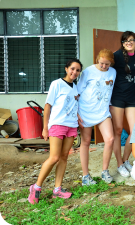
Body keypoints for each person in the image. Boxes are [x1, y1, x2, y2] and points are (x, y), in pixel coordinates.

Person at [28, 59, 82, 204]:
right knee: (54, 157)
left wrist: (77, 117)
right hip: (57, 125)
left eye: (77, 70)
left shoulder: (75, 87)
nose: (74, 72)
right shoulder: (57, 84)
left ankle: (57, 190)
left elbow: (72, 105)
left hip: (71, 126)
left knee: (64, 157)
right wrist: (45, 127)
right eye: (72, 69)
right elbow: (47, 106)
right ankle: (36, 187)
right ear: (66, 69)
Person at [77, 49, 117, 185]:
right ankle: (85, 176)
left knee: (110, 139)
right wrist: (76, 112)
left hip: (103, 111)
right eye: (101, 64)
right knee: (86, 142)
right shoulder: (88, 71)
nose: (104, 67)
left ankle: (105, 171)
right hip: (86, 110)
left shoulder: (113, 72)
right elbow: (78, 91)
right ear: (97, 60)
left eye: (107, 64)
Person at [110, 31, 135, 177]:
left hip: (131, 97)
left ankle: (125, 160)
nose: (128, 43)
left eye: (131, 40)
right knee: (117, 131)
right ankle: (119, 164)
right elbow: (105, 69)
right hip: (117, 97)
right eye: (125, 41)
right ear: (122, 43)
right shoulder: (116, 56)